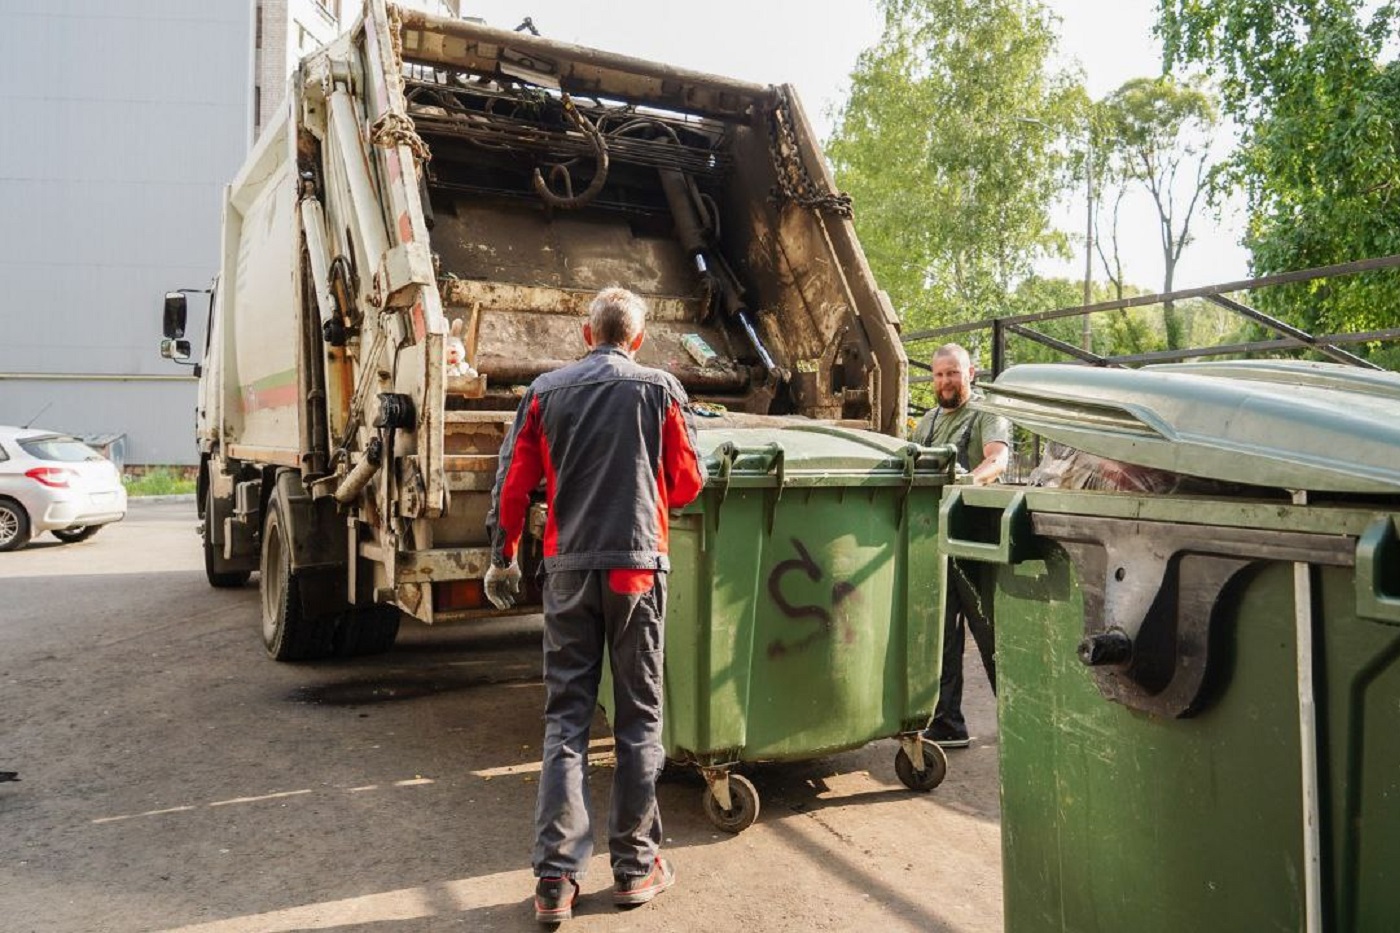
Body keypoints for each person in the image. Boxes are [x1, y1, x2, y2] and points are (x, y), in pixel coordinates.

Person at [485, 286, 707, 925]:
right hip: (635, 573)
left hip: (569, 572)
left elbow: (513, 484)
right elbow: (688, 482)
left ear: (587, 335)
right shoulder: (661, 389)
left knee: (566, 721)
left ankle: (556, 881)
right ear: (637, 338)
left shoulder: (544, 392)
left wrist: (501, 554)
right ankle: (636, 869)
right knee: (639, 721)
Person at [911, 343, 1011, 749]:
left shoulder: (987, 413)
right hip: (939, 540)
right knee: (944, 636)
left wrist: (968, 482)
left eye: (953, 373)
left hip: (978, 540)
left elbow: (998, 461)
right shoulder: (927, 423)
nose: (945, 381)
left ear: (970, 374)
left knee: (990, 632)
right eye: (938, 374)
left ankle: (1019, 719)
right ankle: (948, 722)